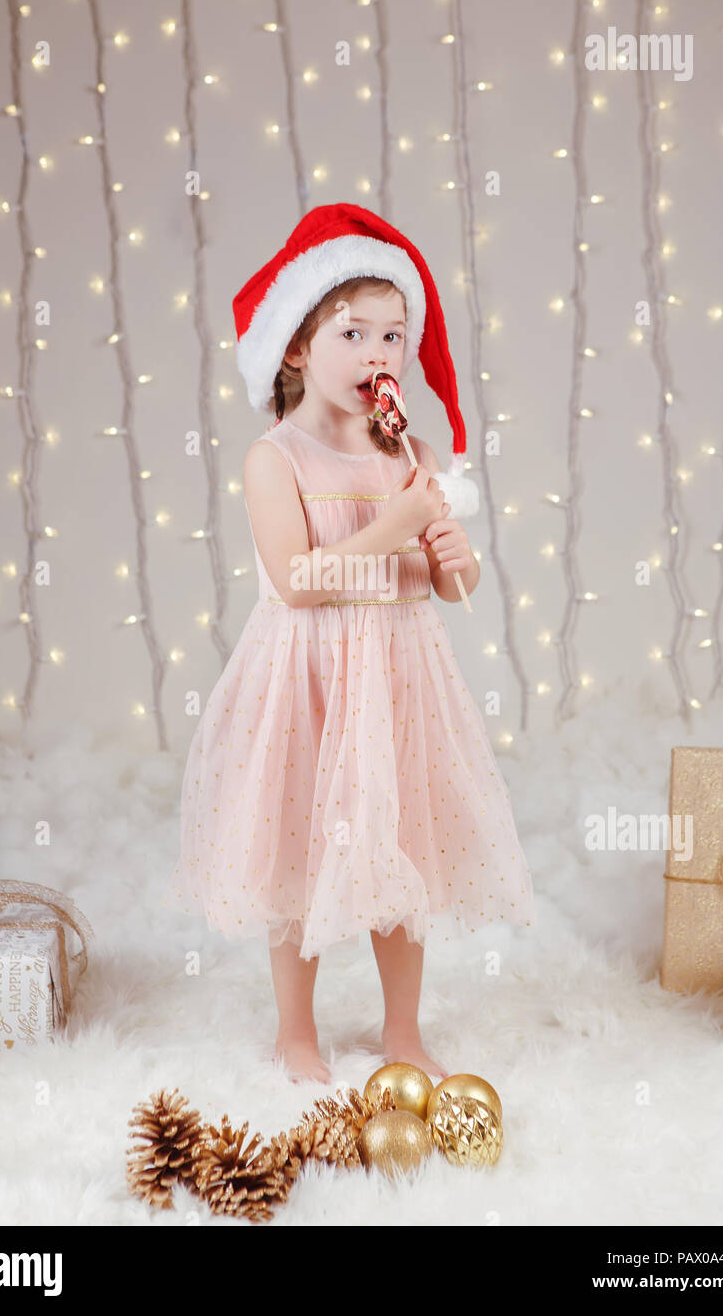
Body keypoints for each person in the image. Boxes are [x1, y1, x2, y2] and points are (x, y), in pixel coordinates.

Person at [166, 204, 536, 1084]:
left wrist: (453, 554)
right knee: (300, 846)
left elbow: (449, 585)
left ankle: (401, 1030)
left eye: (395, 335)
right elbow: (298, 579)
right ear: (296, 347)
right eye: (353, 331)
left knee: (396, 847)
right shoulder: (276, 459)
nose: (379, 352)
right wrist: (397, 523)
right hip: (309, 676)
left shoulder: (405, 452)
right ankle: (297, 1030)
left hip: (403, 674)